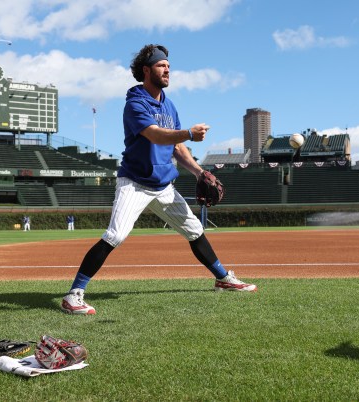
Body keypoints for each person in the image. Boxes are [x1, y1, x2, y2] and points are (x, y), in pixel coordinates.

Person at [61, 44, 257, 315]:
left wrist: (199, 171)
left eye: (168, 66)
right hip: (135, 182)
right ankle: (74, 295)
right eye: (161, 65)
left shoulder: (169, 104)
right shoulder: (135, 103)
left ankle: (223, 278)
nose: (167, 70)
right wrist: (188, 132)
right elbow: (155, 135)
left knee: (194, 231)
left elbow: (176, 147)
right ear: (146, 70)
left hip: (164, 185)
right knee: (115, 235)